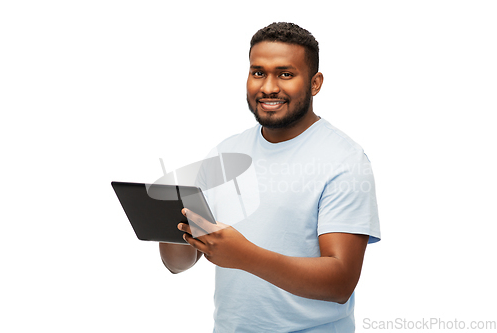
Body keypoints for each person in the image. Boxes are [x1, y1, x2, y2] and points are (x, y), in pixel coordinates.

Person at [159, 22, 381, 332]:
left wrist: (244, 255)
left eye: (285, 74)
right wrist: (167, 224)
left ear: (315, 83)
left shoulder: (344, 160)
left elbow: (340, 282)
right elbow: (178, 264)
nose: (268, 87)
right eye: (258, 72)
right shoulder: (225, 152)